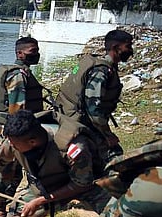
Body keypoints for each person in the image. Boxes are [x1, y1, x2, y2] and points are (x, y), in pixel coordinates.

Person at [0, 36, 47, 217]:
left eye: (37, 50)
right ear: (20, 53)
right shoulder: (17, 76)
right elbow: (17, 110)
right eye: (33, 51)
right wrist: (19, 137)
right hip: (9, 133)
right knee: (1, 176)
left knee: (13, 175)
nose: (37, 54)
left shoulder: (21, 72)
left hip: (8, 131)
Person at [55, 29, 133, 162]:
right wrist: (107, 135)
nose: (131, 50)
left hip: (72, 116)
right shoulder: (101, 71)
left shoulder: (102, 64)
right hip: (80, 122)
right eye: (128, 46)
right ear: (115, 47)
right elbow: (93, 108)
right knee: (115, 155)